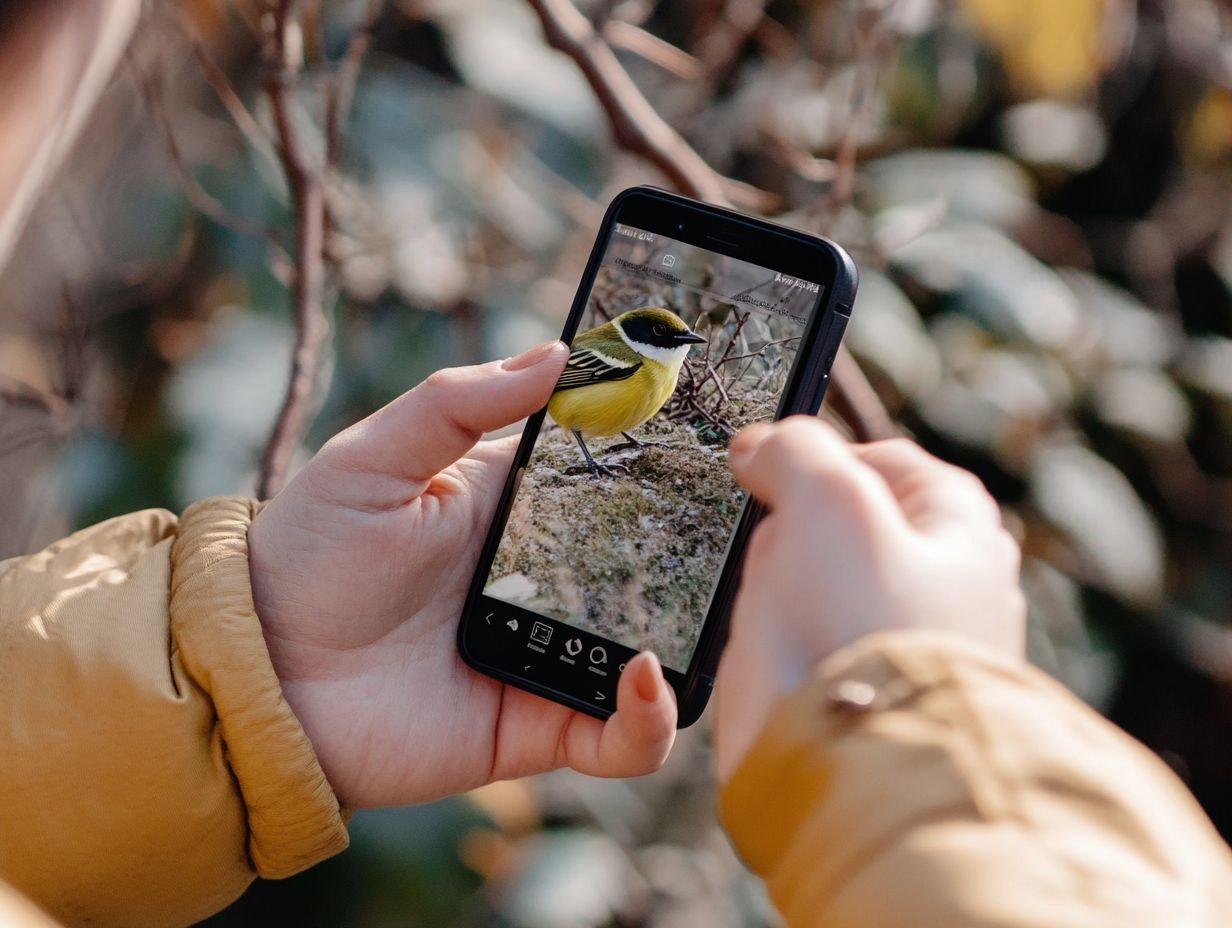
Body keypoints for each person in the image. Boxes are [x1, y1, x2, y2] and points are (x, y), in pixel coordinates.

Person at [3, 2, 1232, 927]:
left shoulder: (643, 373)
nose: (678, 348)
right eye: (669, 336)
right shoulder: (612, 363)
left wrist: (262, 657)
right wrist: (926, 728)